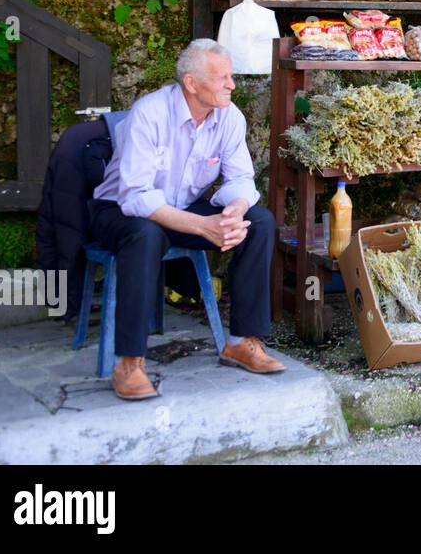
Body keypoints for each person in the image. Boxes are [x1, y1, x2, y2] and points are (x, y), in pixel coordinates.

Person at [90, 38, 284, 400]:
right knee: (145, 236)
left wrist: (233, 212)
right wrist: (203, 226)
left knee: (259, 222)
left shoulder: (229, 116)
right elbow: (136, 196)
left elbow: (241, 179)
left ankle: (242, 342)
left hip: (181, 207)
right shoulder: (150, 113)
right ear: (191, 83)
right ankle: (129, 362)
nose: (232, 85)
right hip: (120, 211)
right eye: (222, 77)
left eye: (231, 76)